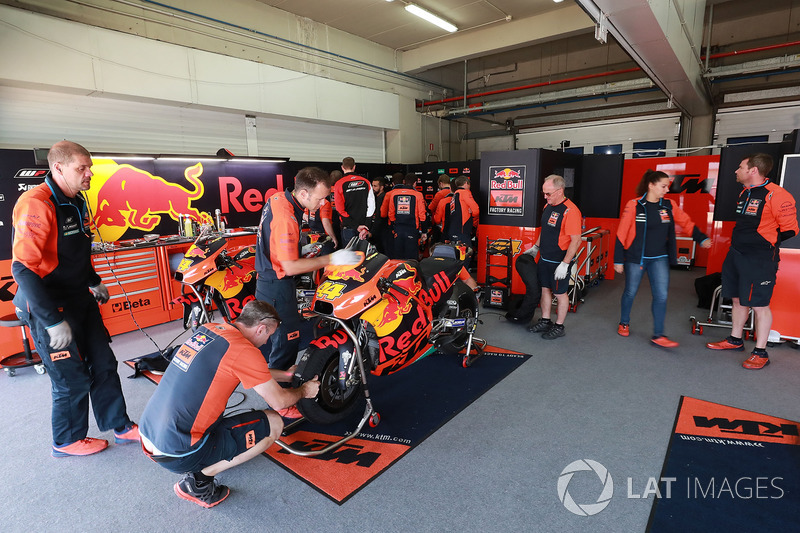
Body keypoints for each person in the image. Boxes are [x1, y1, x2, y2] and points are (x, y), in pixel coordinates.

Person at [11, 140, 140, 457]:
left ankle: (120, 426)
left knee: (104, 363)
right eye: (81, 168)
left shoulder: (78, 201)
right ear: (58, 168)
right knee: (71, 376)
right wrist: (53, 322)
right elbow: (23, 268)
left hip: (79, 298)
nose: (89, 174)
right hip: (47, 304)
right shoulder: (37, 203)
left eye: (90, 167)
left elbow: (75, 252)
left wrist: (94, 281)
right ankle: (66, 440)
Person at [139, 300, 321, 508]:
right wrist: (304, 391)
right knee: (274, 423)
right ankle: (199, 482)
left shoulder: (210, 330)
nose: (267, 341)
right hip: (178, 452)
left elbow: (246, 369)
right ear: (261, 328)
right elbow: (279, 401)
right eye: (269, 335)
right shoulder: (244, 350)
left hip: (150, 434)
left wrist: (288, 375)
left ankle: (206, 456)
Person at [255, 167, 360, 374]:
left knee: (280, 339)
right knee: (287, 341)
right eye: (321, 199)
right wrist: (332, 258)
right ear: (303, 193)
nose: (323, 204)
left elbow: (272, 241)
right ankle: (281, 398)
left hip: (268, 281)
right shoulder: (287, 218)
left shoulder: (277, 198)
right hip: (277, 287)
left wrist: (298, 250)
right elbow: (290, 267)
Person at [706, 153, 798, 369]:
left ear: (753, 170)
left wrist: (763, 244)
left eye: (740, 167)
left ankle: (761, 352)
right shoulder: (745, 192)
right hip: (736, 253)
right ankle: (735, 340)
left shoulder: (777, 195)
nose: (736, 171)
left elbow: (791, 230)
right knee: (738, 298)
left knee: (759, 304)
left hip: (760, 258)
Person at [614, 170, 712, 348]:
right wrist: (618, 260)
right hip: (637, 258)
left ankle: (658, 334)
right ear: (651, 185)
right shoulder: (634, 205)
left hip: (660, 258)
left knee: (661, 296)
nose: (666, 190)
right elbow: (621, 233)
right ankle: (624, 322)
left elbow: (686, 222)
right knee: (630, 292)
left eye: (668, 186)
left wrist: (701, 237)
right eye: (663, 186)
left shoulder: (669, 205)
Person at [527, 175, 582, 340]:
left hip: (560, 261)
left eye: (549, 193)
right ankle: (545, 320)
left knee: (560, 293)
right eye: (544, 193)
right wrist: (536, 247)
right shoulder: (547, 206)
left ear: (560, 191)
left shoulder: (571, 211)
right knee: (545, 289)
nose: (545, 197)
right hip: (545, 258)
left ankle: (559, 326)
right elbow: (544, 230)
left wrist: (565, 264)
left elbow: (576, 240)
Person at [381, 173, 427, 260]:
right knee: (411, 259)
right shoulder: (418, 195)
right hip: (412, 230)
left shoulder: (394, 194)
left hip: (398, 229)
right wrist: (424, 231)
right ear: (415, 183)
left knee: (398, 258)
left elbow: (391, 214)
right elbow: (422, 215)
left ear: (404, 182)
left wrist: (393, 227)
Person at [333, 157, 374, 244]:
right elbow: (372, 206)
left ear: (342, 167)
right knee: (362, 255)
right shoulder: (366, 182)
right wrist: (366, 226)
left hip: (348, 227)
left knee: (349, 256)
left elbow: (340, 209)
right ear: (354, 167)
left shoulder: (339, 184)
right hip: (363, 228)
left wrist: (355, 226)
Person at [435, 175, 479, 245]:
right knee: (466, 254)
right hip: (462, 231)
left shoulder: (455, 195)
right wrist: (471, 213)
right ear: (466, 183)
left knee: (454, 254)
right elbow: (476, 210)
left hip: (452, 231)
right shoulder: (465, 193)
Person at [428, 174, 452, 244]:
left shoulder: (440, 194)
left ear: (441, 183)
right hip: (452, 223)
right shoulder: (454, 192)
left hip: (440, 224)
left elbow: (431, 208)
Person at [370, 175, 389, 254]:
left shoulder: (382, 198)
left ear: (381, 187)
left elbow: (379, 217)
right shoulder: (376, 197)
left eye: (375, 186)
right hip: (378, 230)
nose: (373, 188)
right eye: (372, 186)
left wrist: (372, 232)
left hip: (382, 231)